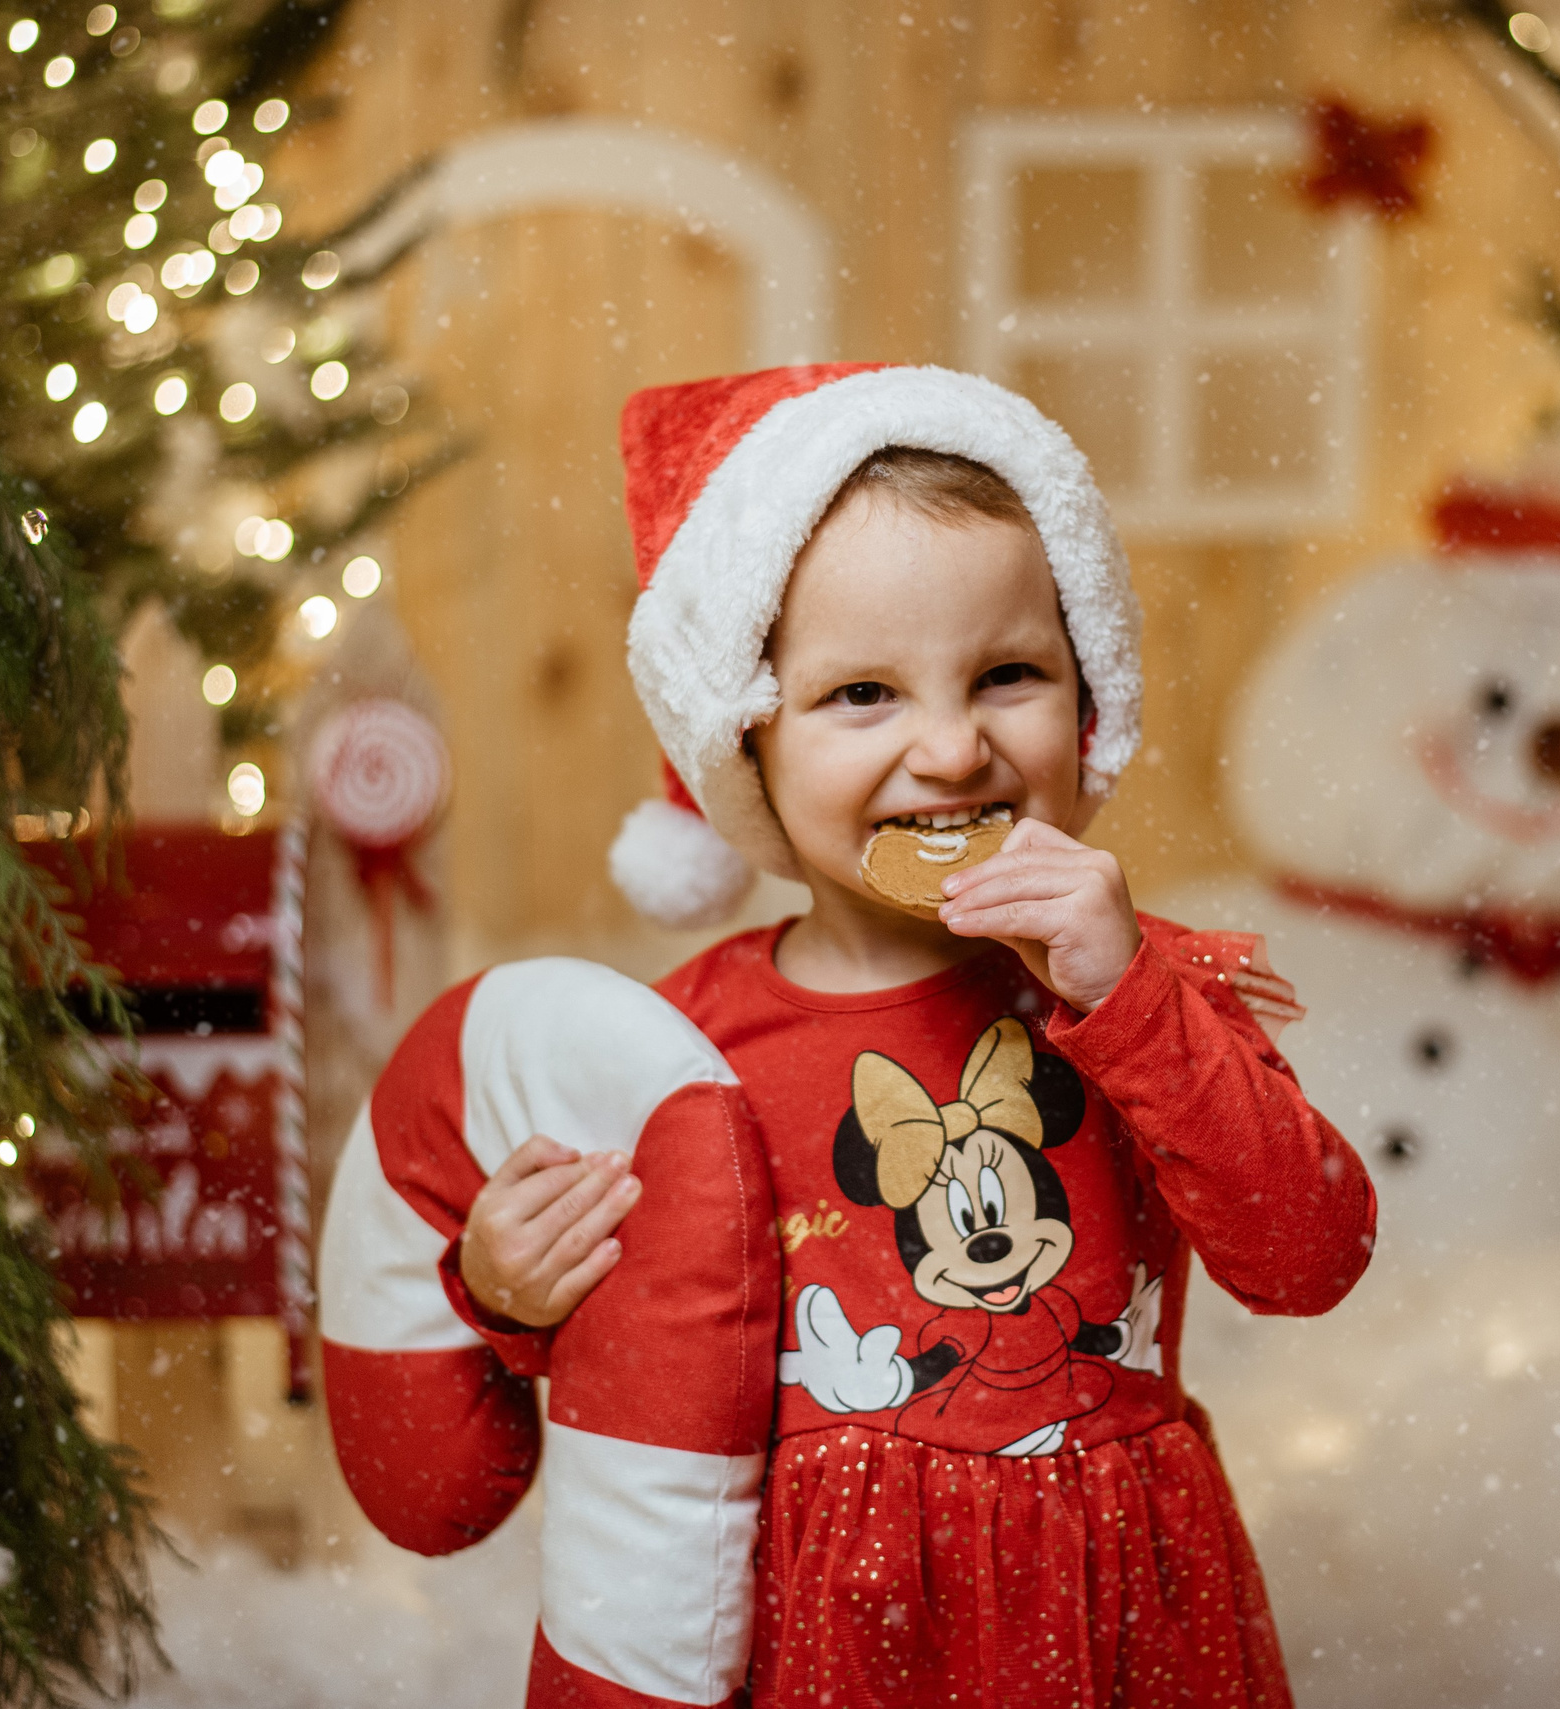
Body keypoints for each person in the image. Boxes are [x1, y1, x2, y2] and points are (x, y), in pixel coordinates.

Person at [458, 363, 1377, 1706]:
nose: (950, 752)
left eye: (1007, 675)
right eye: (863, 695)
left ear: (1089, 697)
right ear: (749, 743)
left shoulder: (1141, 985)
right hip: (827, 1629)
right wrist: (513, 1292)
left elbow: (1310, 1252)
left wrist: (1129, 998)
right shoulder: (675, 1045)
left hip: (1119, 1617)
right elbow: (631, 1362)